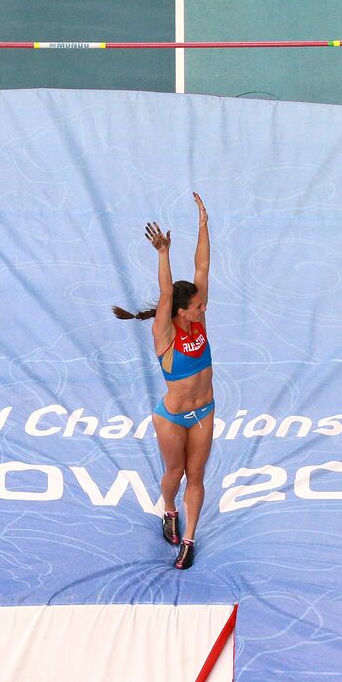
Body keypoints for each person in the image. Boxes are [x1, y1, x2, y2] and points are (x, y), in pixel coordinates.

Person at [111, 192, 213, 570]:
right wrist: (163, 253)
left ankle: (189, 540)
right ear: (182, 311)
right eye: (198, 306)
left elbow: (202, 269)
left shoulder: (198, 320)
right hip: (171, 418)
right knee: (175, 474)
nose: (204, 308)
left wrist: (204, 227)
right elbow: (168, 292)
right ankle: (169, 510)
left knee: (197, 476)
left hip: (204, 412)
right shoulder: (164, 334)